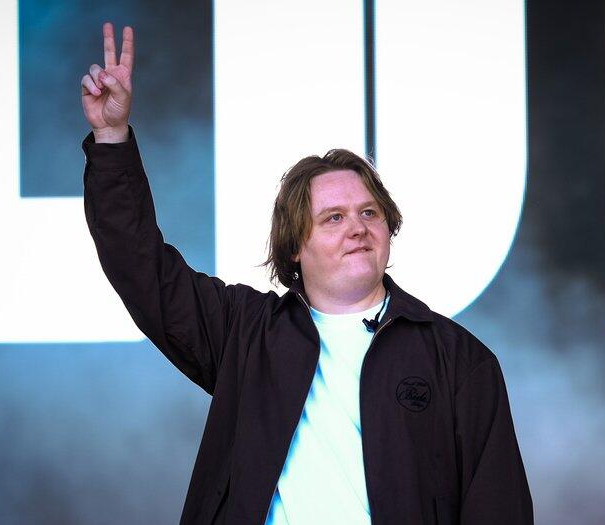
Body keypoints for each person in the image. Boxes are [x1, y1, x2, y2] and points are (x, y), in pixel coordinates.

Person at [81, 21, 532, 525]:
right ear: (295, 245)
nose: (357, 227)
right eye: (333, 218)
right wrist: (111, 139)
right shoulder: (244, 334)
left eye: (369, 213)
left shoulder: (461, 360)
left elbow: (500, 509)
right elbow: (139, 265)